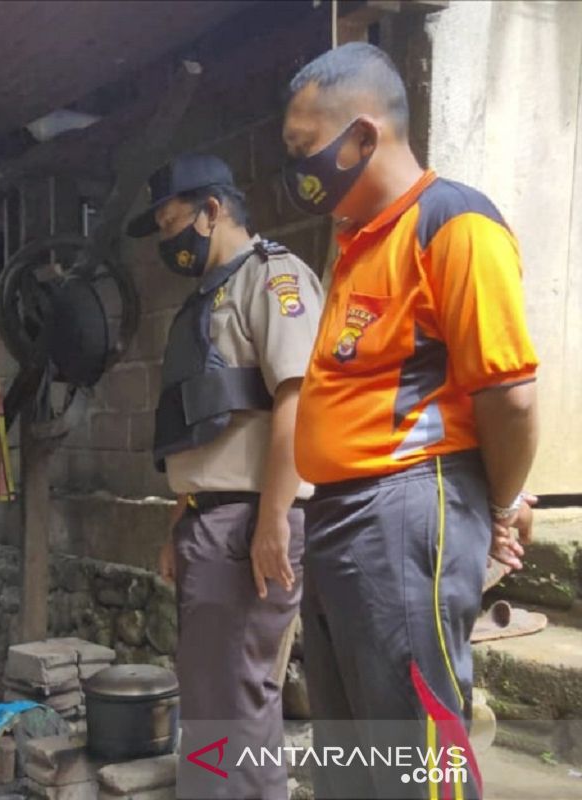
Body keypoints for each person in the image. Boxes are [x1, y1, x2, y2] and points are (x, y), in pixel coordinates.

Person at [282, 43, 539, 798]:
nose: (296, 168)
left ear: (363, 137)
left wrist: (498, 503)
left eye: (306, 149)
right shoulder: (360, 244)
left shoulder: (452, 224)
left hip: (402, 506)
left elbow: (511, 396)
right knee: (353, 755)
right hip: (343, 517)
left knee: (411, 752)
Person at [127, 153, 323, 799]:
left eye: (171, 221)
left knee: (236, 697)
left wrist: (272, 520)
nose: (165, 240)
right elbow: (210, 430)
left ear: (213, 210)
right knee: (214, 692)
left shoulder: (274, 278)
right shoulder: (210, 294)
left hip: (249, 522)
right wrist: (180, 520)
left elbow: (297, 397)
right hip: (214, 519)